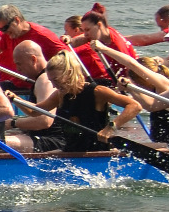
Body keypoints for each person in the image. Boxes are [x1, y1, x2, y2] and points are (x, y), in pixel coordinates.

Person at [8, 51, 143, 153]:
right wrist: (16, 99)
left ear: (69, 73)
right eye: (51, 81)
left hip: (95, 151)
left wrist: (111, 127)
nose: (54, 86)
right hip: (71, 149)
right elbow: (35, 111)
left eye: (56, 80)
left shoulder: (96, 91)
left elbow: (135, 106)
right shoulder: (60, 94)